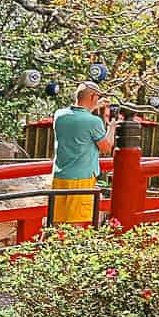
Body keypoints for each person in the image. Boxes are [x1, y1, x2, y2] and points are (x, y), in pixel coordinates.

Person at [50, 82, 115, 225]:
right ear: (92, 96)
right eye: (97, 98)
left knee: (55, 222)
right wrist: (112, 127)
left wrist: (95, 106)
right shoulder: (94, 122)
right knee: (76, 223)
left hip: (60, 176)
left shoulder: (59, 115)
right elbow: (106, 147)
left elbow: (80, 118)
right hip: (81, 179)